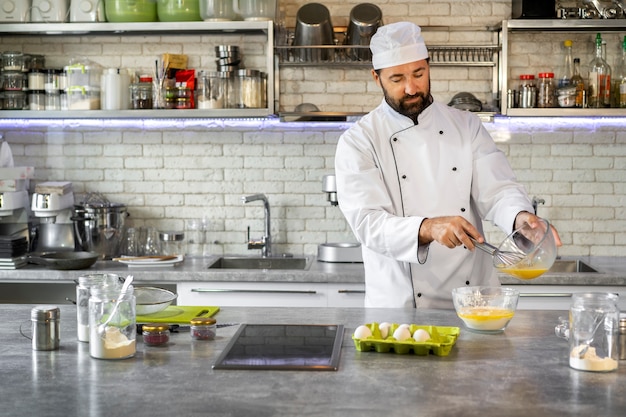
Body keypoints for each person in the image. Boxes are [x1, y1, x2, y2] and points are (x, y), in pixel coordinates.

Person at [334, 22, 562, 309]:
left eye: (419, 73)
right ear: (376, 78)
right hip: (401, 307)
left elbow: (498, 189)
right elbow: (368, 223)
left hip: (473, 302)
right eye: (396, 79)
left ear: (429, 67)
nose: (410, 87)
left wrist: (520, 218)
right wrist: (427, 228)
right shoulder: (359, 140)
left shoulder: (466, 126)